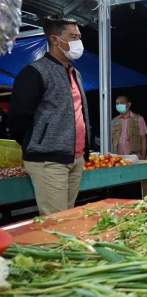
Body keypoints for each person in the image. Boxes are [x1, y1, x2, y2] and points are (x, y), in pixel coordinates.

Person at [9, 17, 90, 215]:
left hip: (75, 157)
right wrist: (37, 143)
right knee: (56, 221)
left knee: (68, 217)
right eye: (72, 37)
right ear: (54, 39)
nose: (78, 42)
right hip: (48, 160)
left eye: (79, 37)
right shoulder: (35, 72)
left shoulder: (74, 73)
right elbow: (19, 117)